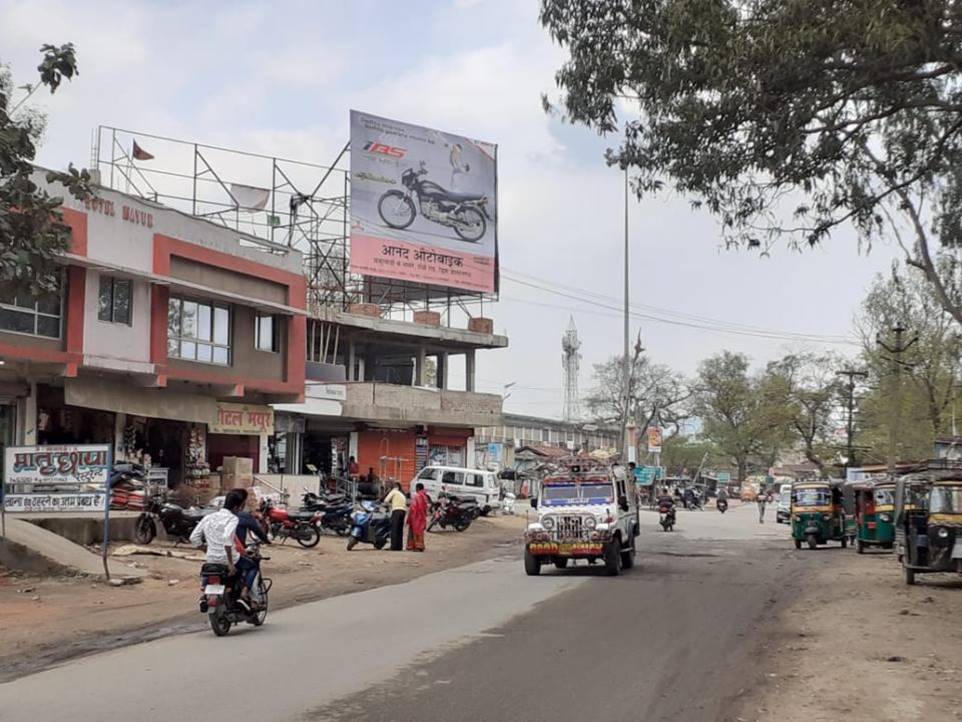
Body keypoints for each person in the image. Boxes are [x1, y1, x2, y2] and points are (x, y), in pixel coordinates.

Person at [190, 489, 245, 591]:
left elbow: (193, 538)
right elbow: (227, 540)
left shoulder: (208, 517)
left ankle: (205, 589)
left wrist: (206, 549)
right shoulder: (232, 518)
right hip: (229, 559)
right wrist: (230, 564)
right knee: (251, 567)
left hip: (211, 559)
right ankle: (244, 593)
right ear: (236, 507)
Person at [384, 482, 407, 551]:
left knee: (394, 529)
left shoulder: (394, 491)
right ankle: (399, 546)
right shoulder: (401, 494)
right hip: (403, 511)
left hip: (396, 511)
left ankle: (393, 546)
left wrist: (389, 506)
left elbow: (386, 501)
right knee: (399, 529)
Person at [407, 482, 429, 552]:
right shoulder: (425, 496)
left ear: (418, 488)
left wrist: (410, 516)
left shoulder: (417, 496)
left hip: (416, 517)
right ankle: (420, 546)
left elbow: (413, 507)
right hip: (422, 517)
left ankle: (415, 546)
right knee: (420, 532)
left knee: (414, 532)